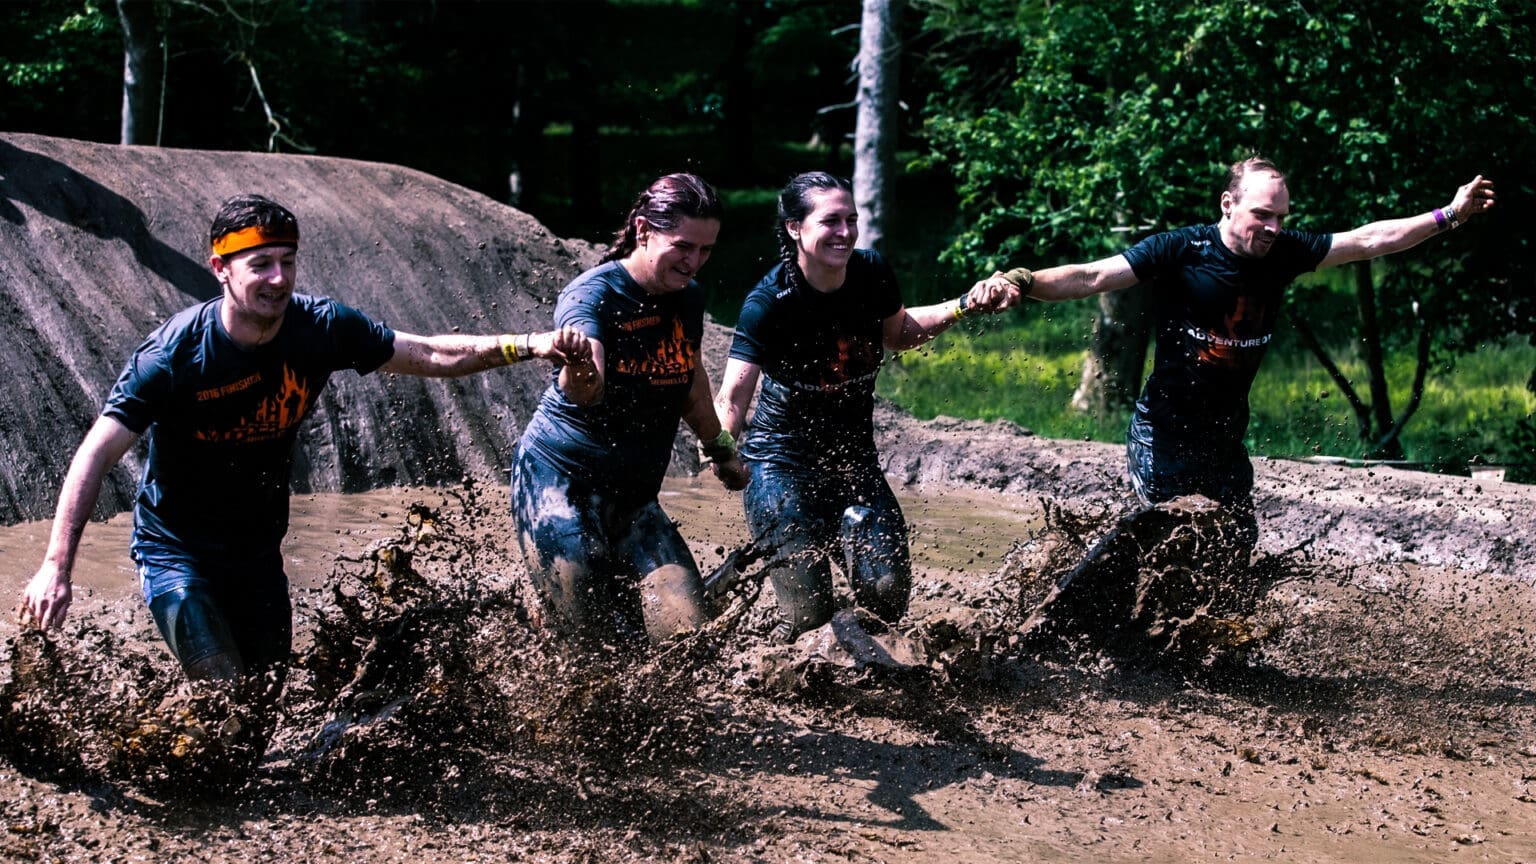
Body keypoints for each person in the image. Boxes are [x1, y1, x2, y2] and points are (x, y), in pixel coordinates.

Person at [16, 193, 591, 735]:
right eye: (260, 264)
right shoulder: (173, 355)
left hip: (258, 551)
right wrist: (56, 566)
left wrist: (528, 344)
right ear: (221, 269)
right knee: (224, 699)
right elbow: (95, 452)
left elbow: (432, 353)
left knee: (261, 714)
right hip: (177, 550)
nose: (278, 279)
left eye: (287, 262)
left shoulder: (320, 328)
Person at [982, 156, 1496, 553]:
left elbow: (1367, 241)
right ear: (1228, 205)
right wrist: (1021, 281)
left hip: (1225, 439)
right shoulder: (1182, 250)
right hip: (1163, 431)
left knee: (1233, 545)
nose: (1272, 228)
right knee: (1169, 540)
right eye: (1262, 215)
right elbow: (1092, 275)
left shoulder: (1285, 252)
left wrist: (1449, 215)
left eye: (1280, 217)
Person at [713, 171, 1011, 642]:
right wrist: (724, 454)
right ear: (795, 228)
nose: (846, 232)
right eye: (831, 221)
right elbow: (732, 396)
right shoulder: (769, 302)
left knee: (887, 599)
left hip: (853, 463)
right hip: (779, 465)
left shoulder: (871, 273)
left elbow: (899, 334)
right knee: (808, 613)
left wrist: (963, 306)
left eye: (852, 219)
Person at [511, 172, 747, 648]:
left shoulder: (689, 297)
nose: (694, 262)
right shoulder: (590, 295)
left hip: (634, 498)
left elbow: (690, 378)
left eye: (705, 250)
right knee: (593, 650)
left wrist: (720, 447)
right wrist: (580, 367)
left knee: (689, 641)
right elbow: (584, 389)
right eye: (683, 246)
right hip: (560, 488)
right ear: (643, 231)